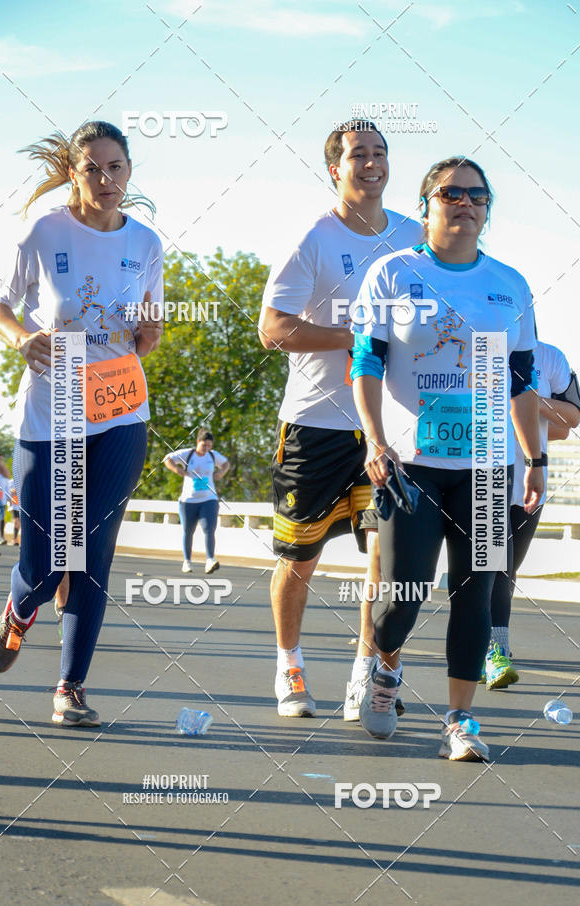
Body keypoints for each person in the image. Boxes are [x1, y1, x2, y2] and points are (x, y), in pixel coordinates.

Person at [351, 155, 542, 761]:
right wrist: (375, 440)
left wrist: (535, 459)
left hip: (486, 464)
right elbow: (366, 363)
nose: (465, 203)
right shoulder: (392, 273)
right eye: (451, 193)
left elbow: (521, 380)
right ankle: (385, 670)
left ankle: (459, 721)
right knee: (403, 596)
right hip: (411, 463)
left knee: (476, 593)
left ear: (487, 209)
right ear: (426, 204)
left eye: (477, 196)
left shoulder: (509, 284)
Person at [0, 120, 163, 727]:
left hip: (120, 409)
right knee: (46, 565)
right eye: (93, 168)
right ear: (74, 173)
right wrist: (20, 337)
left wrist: (150, 333)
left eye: (116, 167)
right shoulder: (43, 232)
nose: (106, 179)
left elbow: (149, 325)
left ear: (129, 171)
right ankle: (19, 609)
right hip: (52, 412)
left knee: (92, 551)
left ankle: (70, 686)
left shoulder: (146, 243)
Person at [258, 120, 422, 719]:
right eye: (358, 155)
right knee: (300, 559)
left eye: (380, 153)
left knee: (383, 554)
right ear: (336, 169)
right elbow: (273, 329)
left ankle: (363, 676)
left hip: (388, 426)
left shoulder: (413, 236)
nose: (371, 163)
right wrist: (353, 337)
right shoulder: (315, 238)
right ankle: (290, 666)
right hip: (316, 423)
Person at [484, 340, 580, 689]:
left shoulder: (551, 358)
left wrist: (529, 402)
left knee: (507, 571)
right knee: (495, 565)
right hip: (486, 475)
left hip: (530, 478)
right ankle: (495, 652)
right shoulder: (481, 348)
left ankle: (480, 643)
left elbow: (570, 420)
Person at [163, 429, 229, 574]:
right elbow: (167, 459)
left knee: (209, 529)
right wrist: (178, 470)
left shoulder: (212, 455)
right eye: (204, 445)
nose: (206, 448)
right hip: (188, 500)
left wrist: (221, 472)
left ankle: (210, 560)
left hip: (209, 499)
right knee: (188, 531)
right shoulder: (187, 454)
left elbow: (226, 463)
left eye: (209, 446)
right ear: (198, 442)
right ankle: (187, 561)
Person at [0, 454, 11, 544]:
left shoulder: (5, 477)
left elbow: (7, 489)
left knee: (1, 517)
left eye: (2, 460)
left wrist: (9, 499)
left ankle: (1, 537)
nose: (1, 462)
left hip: (2, 500)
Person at [7, 478, 21, 545]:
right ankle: (15, 539)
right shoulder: (11, 482)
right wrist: (14, 491)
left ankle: (15, 538)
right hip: (13, 505)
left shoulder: (22, 480)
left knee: (19, 522)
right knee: (16, 521)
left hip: (21, 505)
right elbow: (8, 492)